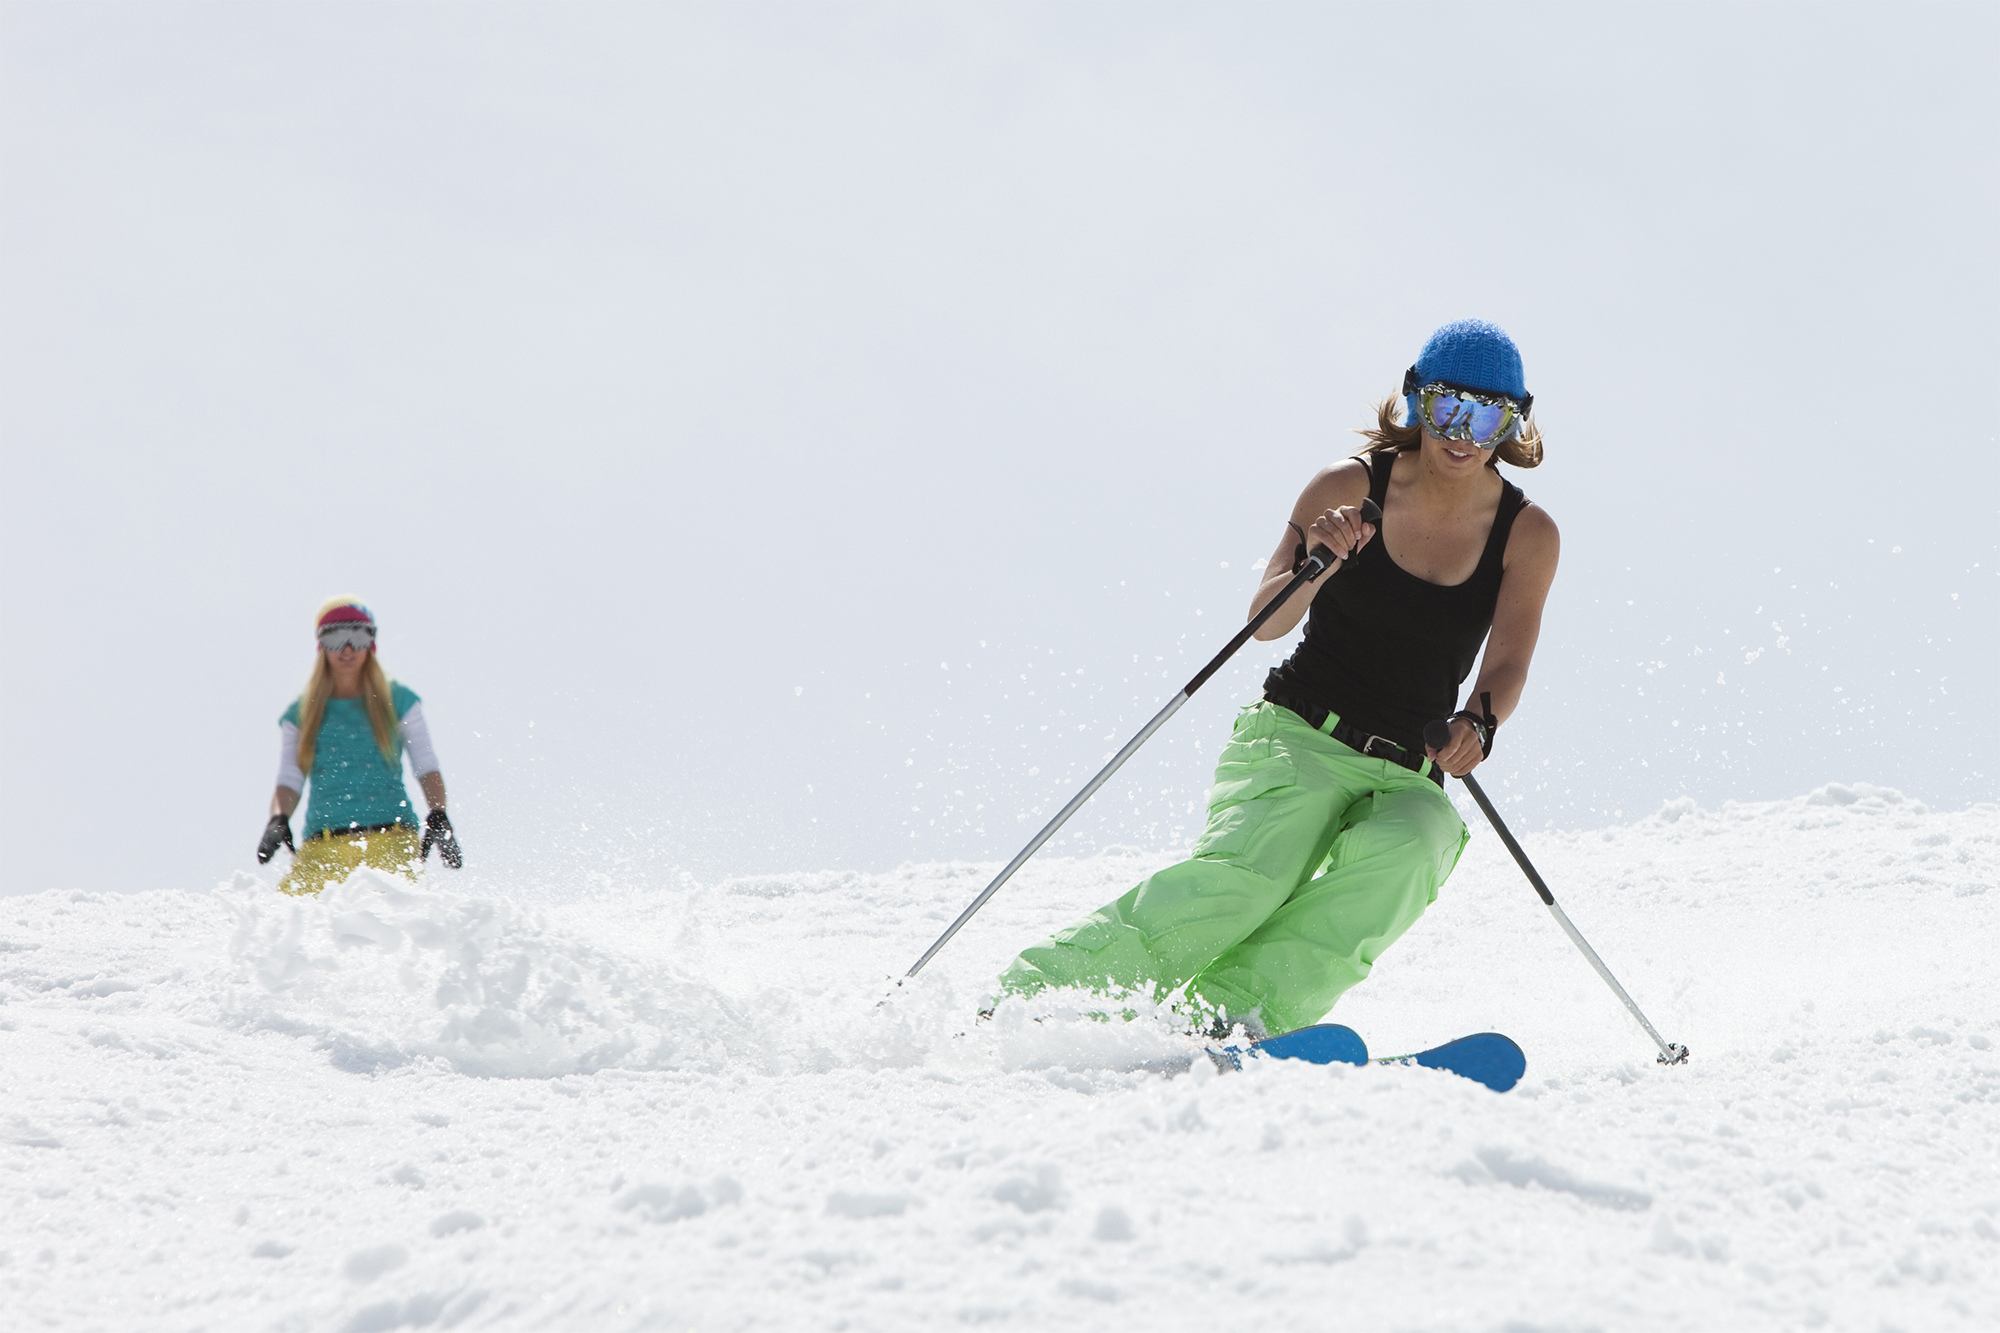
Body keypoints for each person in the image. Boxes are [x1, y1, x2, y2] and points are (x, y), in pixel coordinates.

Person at [995, 319, 1560, 1039]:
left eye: (1491, 415)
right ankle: (1039, 996)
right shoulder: (1350, 485)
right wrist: (1316, 560)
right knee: (1251, 879)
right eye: (1449, 406)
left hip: (1409, 765)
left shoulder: (1527, 533)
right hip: (1299, 733)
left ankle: (1230, 1017)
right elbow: (1265, 622)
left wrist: (1478, 724)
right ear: (1418, 400)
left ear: (1515, 421)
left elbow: (1507, 661)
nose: (1465, 432)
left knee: (1420, 841)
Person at [256, 597, 463, 896]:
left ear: (372, 643)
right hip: (323, 847)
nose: (347, 649)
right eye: (335, 637)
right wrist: (278, 818)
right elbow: (290, 775)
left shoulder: (398, 700)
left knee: (398, 928)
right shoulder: (302, 713)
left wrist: (438, 812)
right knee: (287, 927)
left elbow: (425, 763)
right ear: (321, 645)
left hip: (390, 839)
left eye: (359, 636)